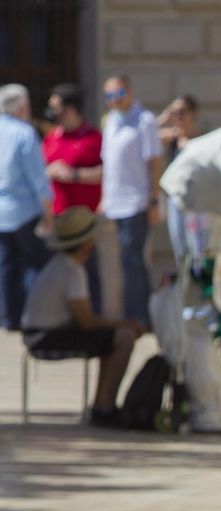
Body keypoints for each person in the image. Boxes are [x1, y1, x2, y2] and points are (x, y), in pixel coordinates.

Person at [20, 206, 141, 426]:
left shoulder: (62, 265)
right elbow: (87, 322)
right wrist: (126, 324)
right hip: (45, 336)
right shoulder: (71, 270)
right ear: (86, 243)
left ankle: (102, 403)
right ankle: (104, 407)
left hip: (42, 333)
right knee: (123, 337)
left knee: (113, 336)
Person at [100, 73, 162, 328]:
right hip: (114, 202)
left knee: (133, 260)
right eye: (109, 96)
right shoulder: (111, 121)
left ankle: (141, 315)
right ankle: (135, 313)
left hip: (135, 202)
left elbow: (155, 162)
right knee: (124, 261)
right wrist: (104, 198)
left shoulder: (145, 121)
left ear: (130, 92)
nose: (115, 100)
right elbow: (109, 164)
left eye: (119, 94)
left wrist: (154, 200)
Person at [42, 85, 104, 311]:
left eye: (56, 108)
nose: (52, 113)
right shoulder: (52, 137)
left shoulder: (93, 137)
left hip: (83, 220)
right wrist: (49, 173)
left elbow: (107, 173)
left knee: (87, 273)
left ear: (70, 109)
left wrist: (75, 175)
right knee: (60, 274)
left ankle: (92, 318)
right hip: (58, 217)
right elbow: (40, 170)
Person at [0, 84, 53, 332]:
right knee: (36, 263)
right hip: (23, 211)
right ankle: (34, 316)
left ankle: (9, 318)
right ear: (23, 107)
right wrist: (48, 212)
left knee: (6, 266)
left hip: (2, 212)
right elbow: (38, 178)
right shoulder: (24, 133)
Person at [158, 94, 200, 262]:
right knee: (180, 250)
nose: (178, 117)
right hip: (175, 200)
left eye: (182, 112)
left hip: (196, 203)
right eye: (174, 113)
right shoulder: (170, 139)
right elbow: (140, 135)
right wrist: (162, 119)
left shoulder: (199, 140)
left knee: (196, 249)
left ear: (193, 113)